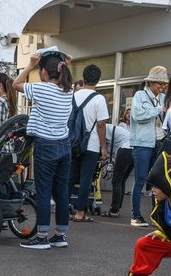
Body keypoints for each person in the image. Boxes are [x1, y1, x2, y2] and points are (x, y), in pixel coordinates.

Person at [12, 47, 74, 250]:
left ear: (44, 73)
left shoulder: (43, 89)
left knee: (44, 192)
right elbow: (64, 74)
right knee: (61, 192)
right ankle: (61, 235)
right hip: (64, 145)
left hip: (46, 145)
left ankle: (41, 236)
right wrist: (66, 63)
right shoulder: (69, 89)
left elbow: (16, 84)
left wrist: (29, 64)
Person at [129, 67, 169, 228]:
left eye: (164, 84)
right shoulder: (140, 95)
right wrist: (160, 109)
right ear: (151, 83)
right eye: (160, 84)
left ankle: (156, 216)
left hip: (159, 142)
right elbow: (138, 116)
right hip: (142, 143)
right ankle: (136, 215)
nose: (162, 87)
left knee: (157, 182)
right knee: (140, 180)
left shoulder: (164, 97)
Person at [69, 64, 109, 222]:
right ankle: (80, 213)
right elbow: (101, 124)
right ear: (98, 81)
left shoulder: (73, 96)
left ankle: (63, 209)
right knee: (86, 178)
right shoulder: (99, 99)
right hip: (91, 145)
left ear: (83, 78)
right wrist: (103, 147)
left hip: (73, 143)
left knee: (70, 177)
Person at [104, 114, 132, 218]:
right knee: (122, 180)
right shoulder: (112, 128)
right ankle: (117, 207)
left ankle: (114, 209)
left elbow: (102, 144)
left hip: (124, 149)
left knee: (116, 180)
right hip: (133, 149)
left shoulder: (103, 128)